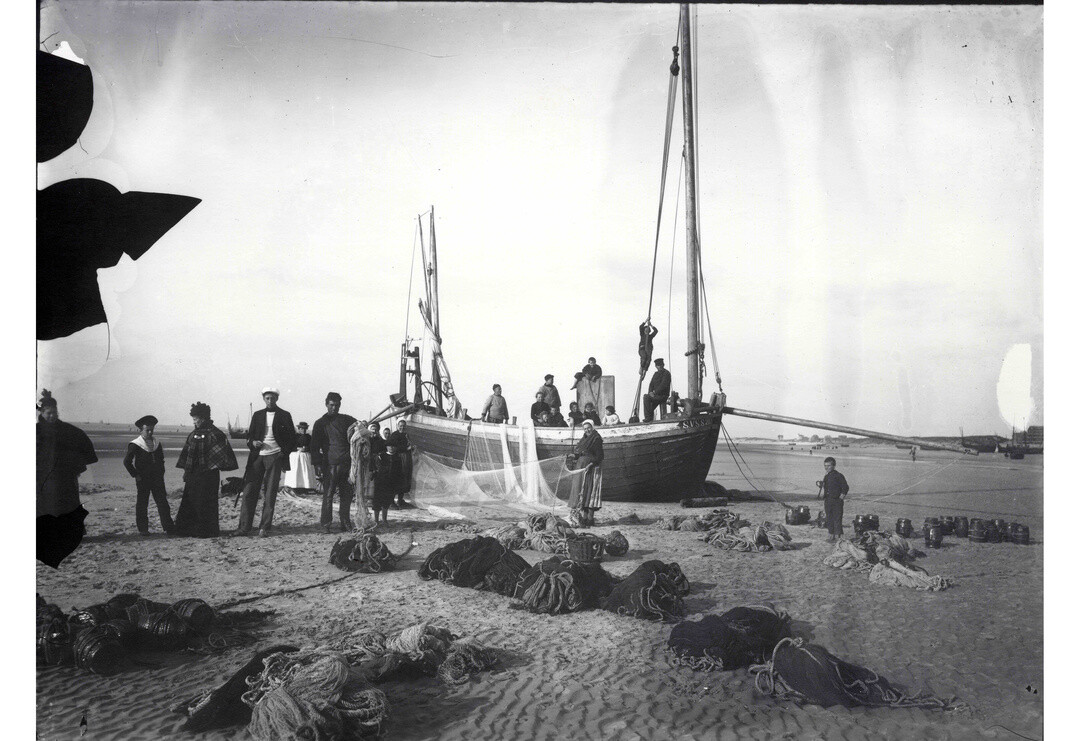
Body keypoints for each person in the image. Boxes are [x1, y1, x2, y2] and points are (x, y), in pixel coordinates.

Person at [37, 392, 97, 567]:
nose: (52, 415)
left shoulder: (68, 430)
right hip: (43, 477)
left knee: (69, 504)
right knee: (45, 505)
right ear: (41, 413)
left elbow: (81, 445)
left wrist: (77, 467)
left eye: (55, 412)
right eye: (48, 412)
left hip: (65, 476)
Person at [237, 387, 297, 537]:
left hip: (275, 457)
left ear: (277, 399)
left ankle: (264, 527)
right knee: (249, 491)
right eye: (267, 398)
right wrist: (253, 442)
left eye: (273, 398)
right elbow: (249, 437)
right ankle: (244, 527)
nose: (270, 401)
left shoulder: (284, 415)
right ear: (263, 399)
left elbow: (292, 439)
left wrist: (283, 453)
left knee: (270, 493)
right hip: (257, 457)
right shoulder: (257, 415)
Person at [176, 402, 238, 538]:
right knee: (191, 501)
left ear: (202, 418)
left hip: (209, 475)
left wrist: (209, 467)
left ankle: (205, 531)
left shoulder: (216, 434)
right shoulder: (195, 434)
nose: (194, 422)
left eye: (195, 419)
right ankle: (188, 530)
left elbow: (222, 456)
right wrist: (187, 471)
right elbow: (188, 455)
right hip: (194, 474)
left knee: (206, 502)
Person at [311, 392, 359, 533]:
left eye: (337, 405)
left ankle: (345, 523)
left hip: (347, 464)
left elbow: (359, 426)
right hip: (330, 465)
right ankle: (326, 524)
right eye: (331, 405)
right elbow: (314, 447)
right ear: (326, 404)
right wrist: (317, 465)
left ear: (340, 405)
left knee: (347, 495)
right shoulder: (320, 423)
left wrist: (362, 426)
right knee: (328, 495)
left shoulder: (347, 420)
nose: (334, 408)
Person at [123, 414, 175, 535]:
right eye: (147, 430)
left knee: (162, 502)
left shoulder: (157, 443)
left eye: (152, 429)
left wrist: (161, 472)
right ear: (140, 430)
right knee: (142, 503)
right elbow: (127, 462)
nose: (150, 432)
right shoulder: (135, 444)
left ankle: (169, 527)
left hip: (157, 478)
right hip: (143, 479)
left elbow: (161, 460)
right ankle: (143, 529)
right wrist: (136, 475)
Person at [568, 419, 604, 527]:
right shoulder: (583, 439)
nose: (587, 430)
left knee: (590, 492)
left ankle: (589, 519)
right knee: (583, 492)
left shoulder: (596, 439)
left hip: (592, 469)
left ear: (592, 427)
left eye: (589, 428)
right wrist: (574, 456)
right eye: (585, 429)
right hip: (583, 469)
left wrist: (591, 464)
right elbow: (580, 453)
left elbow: (600, 456)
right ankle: (584, 518)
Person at [818, 456, 850, 542]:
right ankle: (831, 535)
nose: (826, 467)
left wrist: (841, 497)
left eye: (828, 465)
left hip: (837, 501)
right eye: (825, 465)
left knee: (837, 518)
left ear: (834, 466)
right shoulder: (826, 476)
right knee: (829, 518)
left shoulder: (839, 475)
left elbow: (845, 487)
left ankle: (838, 537)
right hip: (828, 500)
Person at [372, 444, 402, 526]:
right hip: (380, 481)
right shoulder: (381, 456)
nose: (391, 447)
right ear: (386, 447)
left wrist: (397, 482)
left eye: (393, 446)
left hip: (391, 483)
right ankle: (376, 520)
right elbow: (375, 466)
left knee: (387, 501)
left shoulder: (398, 458)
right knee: (377, 501)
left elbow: (399, 471)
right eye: (389, 446)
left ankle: (384, 520)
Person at [283, 422, 317, 492]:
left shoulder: (309, 437)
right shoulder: (294, 437)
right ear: (299, 429)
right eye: (301, 429)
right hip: (295, 456)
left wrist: (306, 448)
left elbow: (312, 446)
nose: (303, 430)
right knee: (295, 470)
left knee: (305, 471)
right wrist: (297, 448)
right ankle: (294, 486)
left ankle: (305, 486)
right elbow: (290, 446)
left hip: (305, 456)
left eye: (305, 429)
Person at [386, 419, 413, 508]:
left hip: (406, 460)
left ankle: (400, 500)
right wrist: (406, 448)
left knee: (405, 479)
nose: (402, 427)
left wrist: (411, 448)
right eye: (400, 426)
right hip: (398, 460)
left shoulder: (406, 435)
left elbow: (409, 446)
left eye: (404, 426)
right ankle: (391, 501)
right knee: (396, 480)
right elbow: (392, 447)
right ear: (397, 426)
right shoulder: (394, 435)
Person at [643, 358, 672, 422]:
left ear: (663, 365)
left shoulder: (666, 373)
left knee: (648, 400)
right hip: (656, 396)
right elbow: (651, 384)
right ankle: (648, 418)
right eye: (658, 365)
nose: (659, 366)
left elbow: (663, 385)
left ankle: (649, 418)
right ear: (656, 366)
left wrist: (654, 392)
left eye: (660, 365)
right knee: (646, 396)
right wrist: (650, 392)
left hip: (663, 396)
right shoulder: (655, 374)